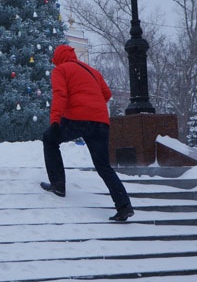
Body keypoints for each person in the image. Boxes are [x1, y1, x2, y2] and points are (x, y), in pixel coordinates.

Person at [40, 44, 134, 222]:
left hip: (77, 118)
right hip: (100, 122)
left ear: (57, 58)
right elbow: (106, 94)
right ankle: (124, 205)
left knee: (49, 139)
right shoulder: (92, 71)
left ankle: (58, 184)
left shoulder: (61, 70)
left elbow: (60, 94)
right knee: (103, 166)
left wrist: (55, 120)